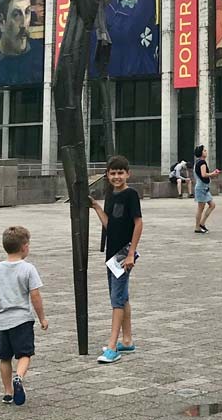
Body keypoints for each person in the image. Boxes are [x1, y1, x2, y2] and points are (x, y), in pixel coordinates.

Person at [0, 225, 48, 406]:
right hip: (22, 320)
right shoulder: (28, 269)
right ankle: (18, 377)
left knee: (4, 358)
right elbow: (35, 295)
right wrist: (42, 317)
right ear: (24, 246)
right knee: (24, 354)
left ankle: (7, 392)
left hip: (2, 321)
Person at [89, 155, 143, 364]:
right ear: (107, 175)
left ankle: (113, 347)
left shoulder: (131, 195)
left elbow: (138, 224)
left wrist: (131, 253)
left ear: (127, 174)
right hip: (111, 255)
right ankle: (127, 340)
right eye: (113, 173)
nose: (117, 176)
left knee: (117, 300)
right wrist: (96, 207)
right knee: (122, 296)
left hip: (123, 254)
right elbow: (109, 225)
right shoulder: (111, 196)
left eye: (120, 172)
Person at [91, 0, 159, 77]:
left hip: (132, 67)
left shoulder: (146, 2)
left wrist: (105, 7)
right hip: (107, 66)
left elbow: (127, 32)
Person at [193, 145, 220, 233]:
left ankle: (202, 223)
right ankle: (197, 227)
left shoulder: (198, 162)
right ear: (201, 153)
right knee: (200, 208)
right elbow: (204, 174)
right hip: (201, 188)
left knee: (212, 205)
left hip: (204, 188)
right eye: (204, 151)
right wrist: (213, 173)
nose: (206, 152)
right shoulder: (202, 163)